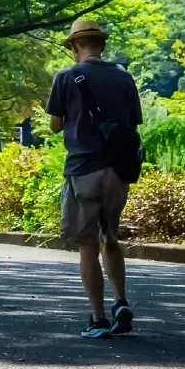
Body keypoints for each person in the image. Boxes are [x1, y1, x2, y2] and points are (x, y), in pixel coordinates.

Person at [46, 17, 143, 339]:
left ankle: (99, 318)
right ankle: (121, 301)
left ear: (74, 45)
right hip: (118, 170)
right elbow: (133, 123)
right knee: (110, 237)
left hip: (83, 170)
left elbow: (55, 125)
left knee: (87, 245)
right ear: (102, 44)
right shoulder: (124, 78)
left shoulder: (66, 77)